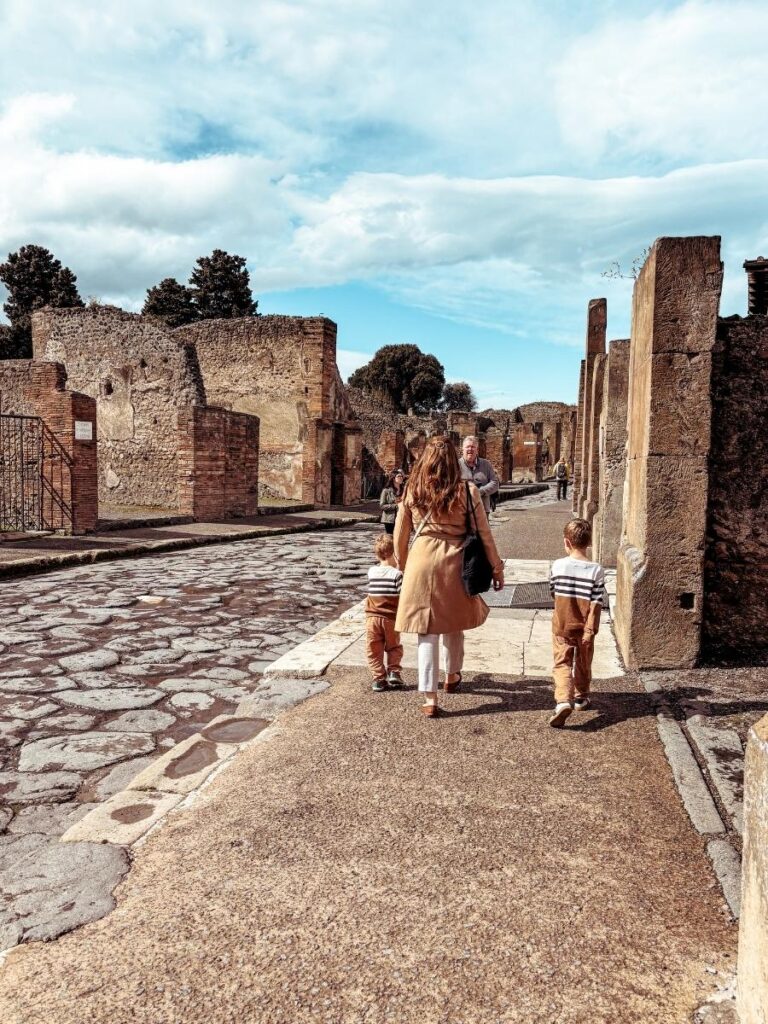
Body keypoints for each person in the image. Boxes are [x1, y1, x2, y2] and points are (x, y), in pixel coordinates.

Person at [394, 435, 504, 718]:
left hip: (420, 560)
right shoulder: (467, 491)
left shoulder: (412, 489)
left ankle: (429, 698)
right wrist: (496, 567)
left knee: (426, 630)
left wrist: (403, 566)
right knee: (454, 624)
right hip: (455, 561)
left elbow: (399, 535)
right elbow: (484, 534)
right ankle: (452, 675)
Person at [547, 517, 605, 728]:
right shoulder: (596, 570)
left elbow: (553, 591)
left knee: (562, 663)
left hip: (562, 625)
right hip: (585, 628)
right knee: (583, 662)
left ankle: (563, 700)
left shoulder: (558, 565)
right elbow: (597, 602)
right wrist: (590, 629)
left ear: (567, 542)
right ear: (589, 542)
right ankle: (581, 697)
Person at [365, 533, 405, 692]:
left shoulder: (371, 571)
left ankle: (378, 678)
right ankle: (394, 672)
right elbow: (402, 597)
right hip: (391, 619)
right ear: (395, 554)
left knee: (373, 649)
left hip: (372, 618)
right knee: (394, 646)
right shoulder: (397, 574)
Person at [459, 436, 499, 515]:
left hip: (482, 509)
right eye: (467, 447)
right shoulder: (456, 465)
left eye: (473, 447)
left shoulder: (486, 464)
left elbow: (495, 482)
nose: (470, 449)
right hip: (461, 510)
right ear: (462, 449)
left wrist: (480, 491)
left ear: (477, 450)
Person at [379, 468, 406, 535]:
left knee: (400, 537)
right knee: (390, 538)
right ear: (393, 478)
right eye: (399, 476)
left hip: (402, 518)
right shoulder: (386, 491)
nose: (401, 478)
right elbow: (382, 505)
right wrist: (395, 506)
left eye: (401, 476)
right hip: (389, 519)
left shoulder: (405, 490)